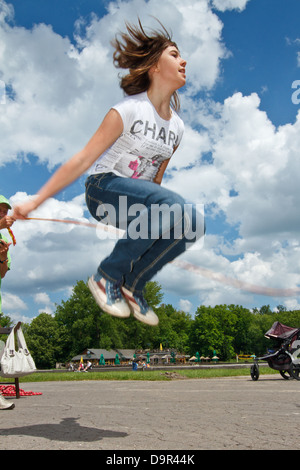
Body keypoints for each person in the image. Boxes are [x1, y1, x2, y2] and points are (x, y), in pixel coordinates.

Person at [13, 20, 204, 327]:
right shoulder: (128, 110)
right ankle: (106, 276)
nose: (183, 61)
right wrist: (33, 202)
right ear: (155, 66)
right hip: (103, 187)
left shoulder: (177, 128)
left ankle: (132, 285)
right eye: (174, 54)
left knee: (192, 221)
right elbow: (82, 160)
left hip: (136, 198)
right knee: (174, 207)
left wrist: (150, 225)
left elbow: (156, 181)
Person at [0, 195, 15, 410]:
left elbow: (2, 274)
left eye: (5, 211)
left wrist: (3, 257)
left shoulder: (2, 242)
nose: (4, 214)